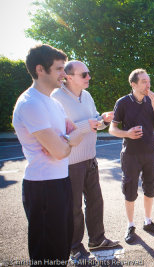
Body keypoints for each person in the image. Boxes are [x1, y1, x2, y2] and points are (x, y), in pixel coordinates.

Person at [12, 44, 85, 266]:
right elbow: (62, 149)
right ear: (40, 70)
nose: (64, 74)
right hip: (42, 187)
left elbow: (73, 133)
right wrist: (65, 143)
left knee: (61, 250)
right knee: (47, 255)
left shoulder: (53, 102)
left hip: (61, 181)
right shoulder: (30, 104)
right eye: (59, 69)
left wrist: (64, 142)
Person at [51, 60, 119, 260]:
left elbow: (94, 120)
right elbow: (56, 133)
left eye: (88, 73)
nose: (89, 77)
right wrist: (84, 125)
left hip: (90, 157)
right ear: (68, 77)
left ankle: (97, 240)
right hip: (71, 162)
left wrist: (102, 120)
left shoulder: (87, 95)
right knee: (74, 207)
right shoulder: (56, 98)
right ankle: (74, 246)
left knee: (96, 201)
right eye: (84, 74)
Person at [109, 69, 154, 244]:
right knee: (130, 190)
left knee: (150, 189)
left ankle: (148, 221)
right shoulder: (123, 103)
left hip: (150, 153)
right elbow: (112, 129)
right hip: (131, 155)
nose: (148, 85)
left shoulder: (151, 101)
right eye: (143, 82)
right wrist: (127, 133)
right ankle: (130, 225)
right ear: (133, 84)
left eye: (148, 81)